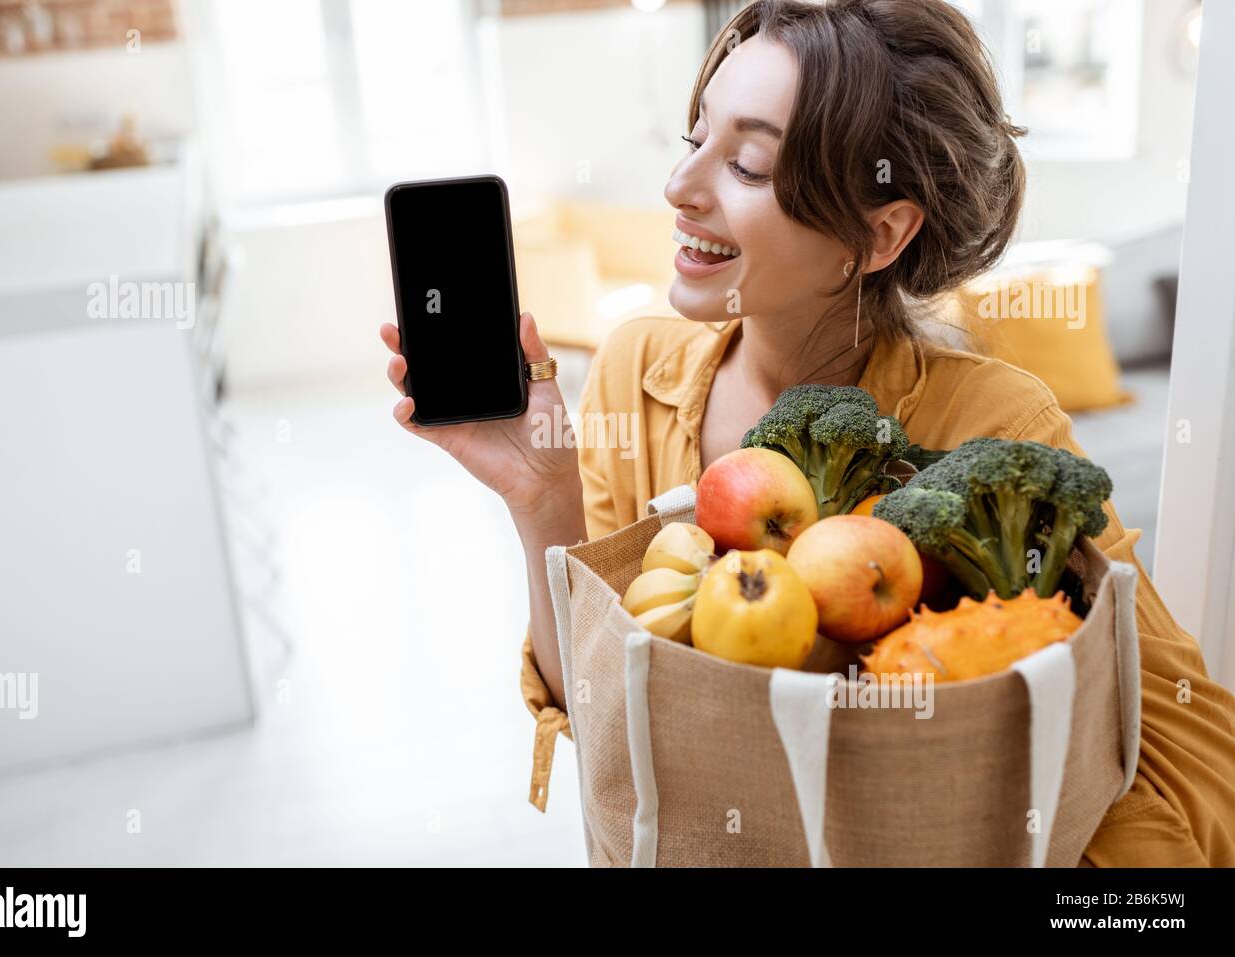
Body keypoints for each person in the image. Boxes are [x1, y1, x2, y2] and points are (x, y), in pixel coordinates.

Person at [380, 0, 1235, 866]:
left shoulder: (993, 422)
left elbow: (1195, 752)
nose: (680, 189)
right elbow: (603, 714)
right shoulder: (634, 367)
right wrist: (543, 499)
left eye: (747, 164)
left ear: (878, 232)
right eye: (695, 139)